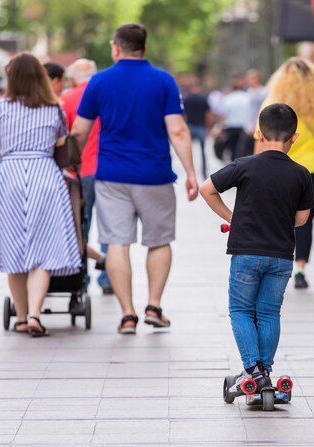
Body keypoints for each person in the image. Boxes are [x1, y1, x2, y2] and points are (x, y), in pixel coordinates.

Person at [71, 23, 198, 334]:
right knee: (159, 241)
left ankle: (127, 314)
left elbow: (79, 132)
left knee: (116, 242)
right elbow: (178, 130)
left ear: (116, 48)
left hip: (112, 176)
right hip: (154, 175)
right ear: (145, 47)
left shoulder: (99, 82)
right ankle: (153, 305)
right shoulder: (163, 81)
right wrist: (192, 172)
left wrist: (70, 167)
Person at [199, 103, 314, 392]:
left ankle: (253, 371)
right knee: (268, 313)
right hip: (281, 256)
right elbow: (301, 219)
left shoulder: (244, 165)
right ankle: (265, 371)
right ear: (294, 137)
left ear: (258, 133)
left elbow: (206, 189)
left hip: (246, 253)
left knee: (240, 309)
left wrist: (232, 217)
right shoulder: (301, 173)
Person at [0, 53, 81, 337]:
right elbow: (59, 143)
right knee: (43, 249)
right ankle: (35, 315)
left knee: (14, 248)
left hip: (11, 176)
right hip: (45, 176)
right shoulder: (53, 109)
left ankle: (19, 316)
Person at [256, 57, 314, 289]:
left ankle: (277, 267)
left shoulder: (271, 103)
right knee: (306, 221)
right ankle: (300, 268)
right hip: (313, 169)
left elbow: (260, 141)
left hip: (280, 170)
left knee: (276, 219)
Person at [61, 58, 113, 294]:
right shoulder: (109, 96)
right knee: (111, 227)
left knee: (81, 225)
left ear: (72, 79)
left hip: (80, 173)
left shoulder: (67, 99)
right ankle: (109, 276)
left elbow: (67, 138)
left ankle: (82, 277)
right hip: (111, 171)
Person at [183, 78, 211, 179]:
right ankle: (203, 172)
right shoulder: (203, 98)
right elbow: (208, 115)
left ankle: (189, 172)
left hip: (189, 127)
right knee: (203, 151)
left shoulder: (186, 98)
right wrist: (208, 128)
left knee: (188, 150)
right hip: (200, 127)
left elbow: (183, 114)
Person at [218, 76, 250, 161]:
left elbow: (223, 115)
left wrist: (221, 127)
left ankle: (234, 164)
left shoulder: (228, 98)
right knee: (242, 149)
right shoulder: (247, 97)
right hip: (243, 126)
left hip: (231, 126)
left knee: (232, 148)